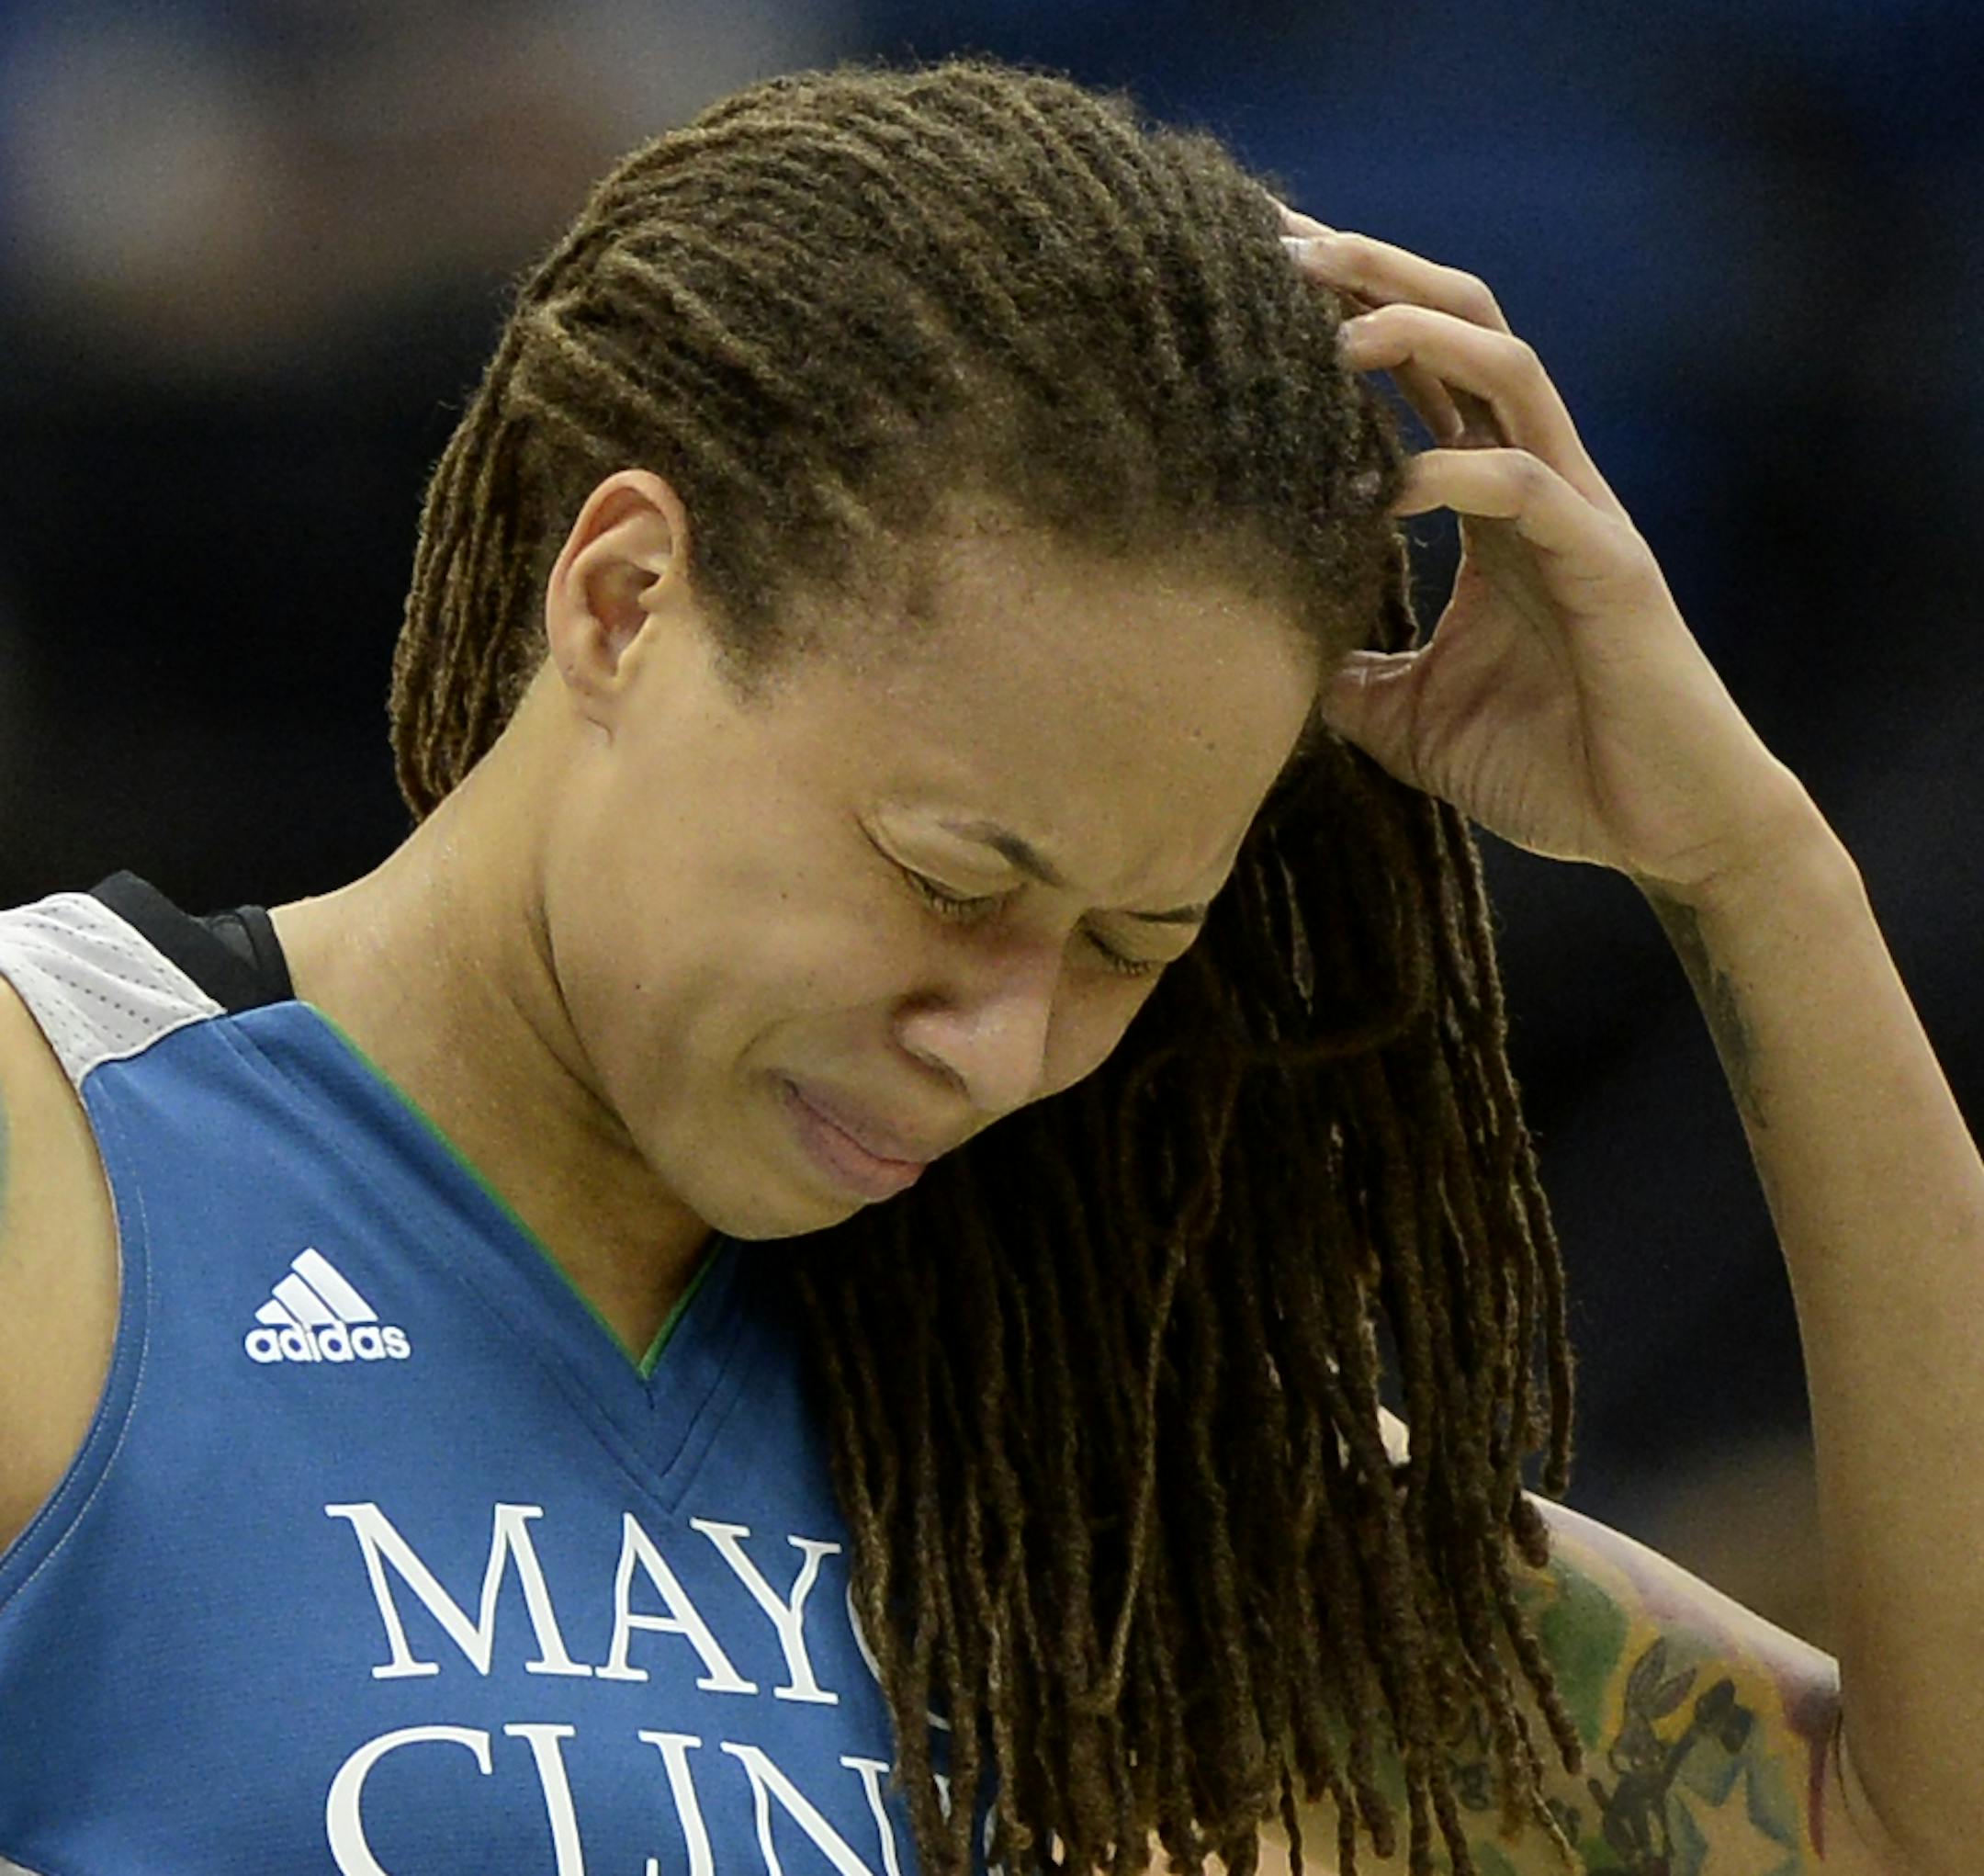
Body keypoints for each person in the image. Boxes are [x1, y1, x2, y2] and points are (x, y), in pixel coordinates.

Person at [0, 53, 1973, 1876]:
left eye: (1133, 941)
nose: (1006, 1040)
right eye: (949, 879)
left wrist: (1757, 867)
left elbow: (1913, 1820)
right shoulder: (63, 1147)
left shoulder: (1117, 1471)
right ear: (623, 600)